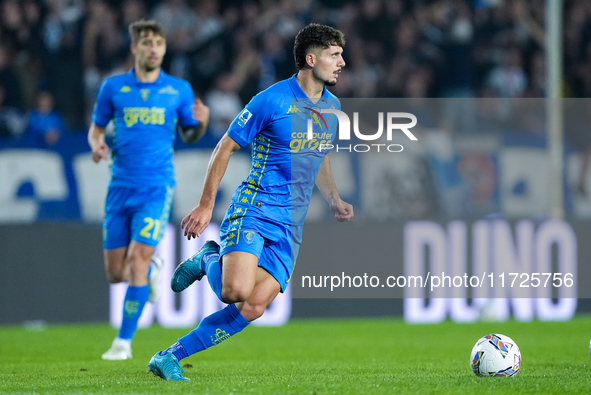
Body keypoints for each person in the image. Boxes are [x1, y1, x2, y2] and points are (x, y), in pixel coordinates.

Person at [147, 23, 353, 381]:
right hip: (255, 209)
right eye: (334, 55)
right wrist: (206, 204)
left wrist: (333, 197)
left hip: (291, 224)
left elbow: (318, 156)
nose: (342, 62)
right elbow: (225, 146)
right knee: (235, 291)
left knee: (254, 307)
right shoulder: (271, 100)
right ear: (310, 58)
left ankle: (169, 357)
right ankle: (209, 256)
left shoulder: (332, 107)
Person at [88, 19, 209, 361]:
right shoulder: (113, 88)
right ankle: (153, 269)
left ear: (164, 49)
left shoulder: (178, 90)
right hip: (119, 188)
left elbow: (189, 136)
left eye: (158, 43)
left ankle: (122, 343)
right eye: (147, 43)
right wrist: (97, 146)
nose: (153, 48)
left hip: (157, 187)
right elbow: (95, 131)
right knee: (116, 274)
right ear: (135, 48)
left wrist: (200, 122)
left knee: (136, 261)